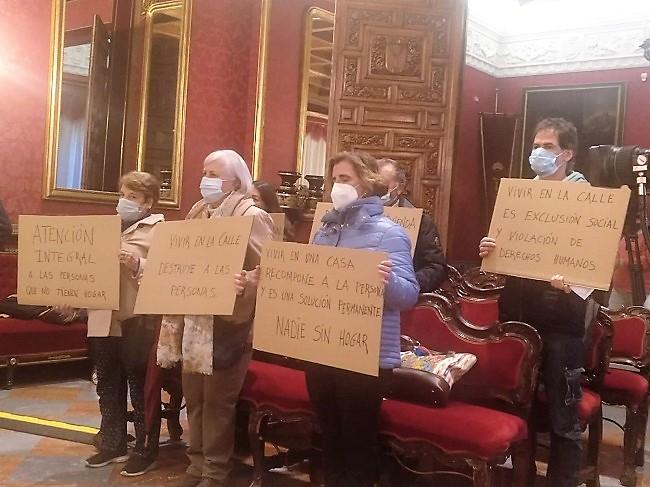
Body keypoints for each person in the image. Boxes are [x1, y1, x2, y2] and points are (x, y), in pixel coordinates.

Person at [479, 118, 588, 487]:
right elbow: (503, 252)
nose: (538, 153)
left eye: (548, 147)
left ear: (567, 154)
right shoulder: (520, 196)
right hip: (519, 316)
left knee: (563, 417)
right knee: (515, 406)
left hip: (562, 320)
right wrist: (490, 249)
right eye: (535, 145)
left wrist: (572, 280)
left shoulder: (587, 201)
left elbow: (593, 261)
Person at [156, 150, 274, 487]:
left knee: (218, 403)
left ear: (235, 180)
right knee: (194, 398)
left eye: (214, 173)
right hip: (194, 320)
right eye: (204, 171)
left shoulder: (251, 216)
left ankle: (215, 472)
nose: (205, 179)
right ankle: (196, 465)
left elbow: (271, 269)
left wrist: (247, 280)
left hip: (230, 325)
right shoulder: (198, 213)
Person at [306, 151, 419, 486]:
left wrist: (386, 282)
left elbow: (408, 295)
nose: (338, 186)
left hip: (366, 357)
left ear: (366, 182)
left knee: (358, 440)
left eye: (346, 179)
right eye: (335, 179)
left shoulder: (390, 233)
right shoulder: (323, 232)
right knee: (329, 437)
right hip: (322, 348)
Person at [84, 171, 165, 476]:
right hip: (102, 315)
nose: (124, 201)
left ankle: (146, 447)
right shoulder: (104, 228)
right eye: (122, 194)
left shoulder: (159, 230)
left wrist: (137, 264)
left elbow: (166, 273)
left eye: (132, 196)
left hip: (137, 318)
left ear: (149, 202)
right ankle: (113, 441)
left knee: (138, 385)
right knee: (107, 382)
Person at [377, 158, 448, 292]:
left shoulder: (421, 222)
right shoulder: (356, 217)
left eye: (382, 186)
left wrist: (406, 285)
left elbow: (436, 267)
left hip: (403, 298)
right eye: (372, 186)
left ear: (400, 188)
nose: (376, 192)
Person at [609, 230, 650, 309]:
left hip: (641, 293)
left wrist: (622, 262)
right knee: (612, 318)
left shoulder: (646, 234)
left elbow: (646, 260)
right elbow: (617, 254)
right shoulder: (625, 234)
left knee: (639, 319)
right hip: (618, 289)